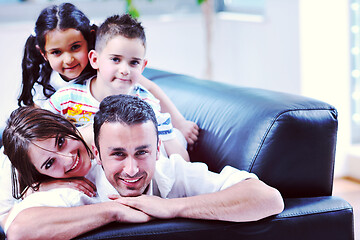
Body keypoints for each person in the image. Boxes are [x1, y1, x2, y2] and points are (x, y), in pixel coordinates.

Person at [3, 95, 284, 240]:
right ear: (98, 155)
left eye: (142, 152)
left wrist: (172, 208)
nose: (131, 169)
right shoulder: (77, 187)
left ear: (157, 148)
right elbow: (19, 231)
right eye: (117, 155)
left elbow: (269, 199)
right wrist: (114, 210)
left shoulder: (169, 170)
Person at [43, 14, 190, 161]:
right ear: (95, 60)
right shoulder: (67, 98)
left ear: (143, 66)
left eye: (134, 63)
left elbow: (180, 159)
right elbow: (37, 134)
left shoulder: (147, 104)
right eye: (115, 59)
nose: (125, 70)